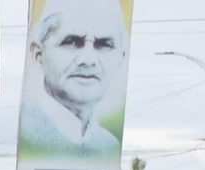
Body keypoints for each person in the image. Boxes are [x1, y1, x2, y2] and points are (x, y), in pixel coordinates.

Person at [18, 0, 128, 160]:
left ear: (121, 58)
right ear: (38, 56)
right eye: (72, 42)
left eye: (103, 44)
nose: (89, 60)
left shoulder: (109, 147)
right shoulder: (29, 135)